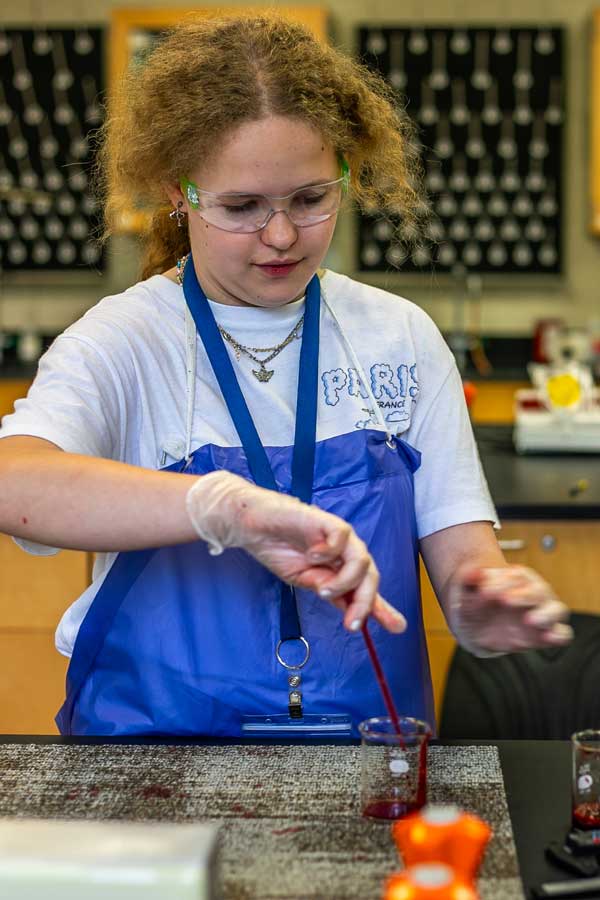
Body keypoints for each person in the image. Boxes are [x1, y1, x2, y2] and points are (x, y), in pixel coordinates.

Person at [0, 15, 571, 737]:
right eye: (241, 207)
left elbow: (467, 568)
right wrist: (223, 509)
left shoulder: (398, 339)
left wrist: (479, 605)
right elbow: (12, 482)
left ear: (344, 176)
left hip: (364, 764)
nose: (280, 236)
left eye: (309, 199)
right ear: (181, 194)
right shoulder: (127, 341)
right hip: (152, 769)